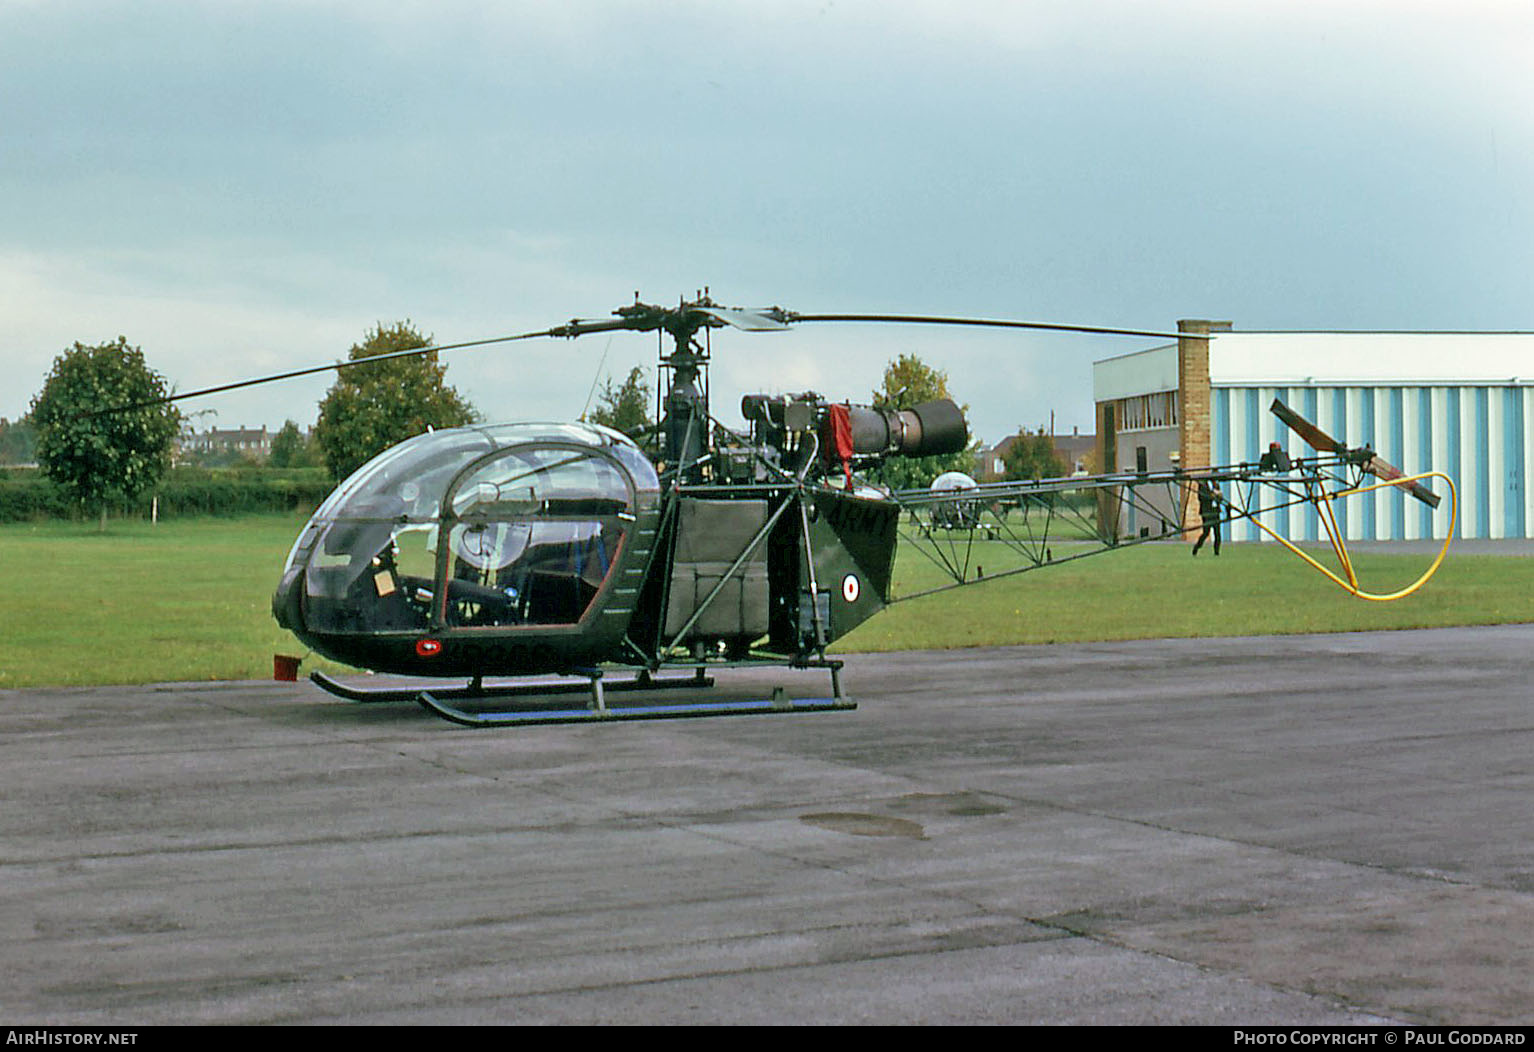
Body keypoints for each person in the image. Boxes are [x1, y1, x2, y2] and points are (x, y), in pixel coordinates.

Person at [1192, 479, 1221, 556]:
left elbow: (1220, 497)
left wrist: (1219, 496)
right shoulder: (1202, 485)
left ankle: (1216, 552)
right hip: (1207, 512)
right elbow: (1201, 497)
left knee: (1217, 533)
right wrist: (1213, 495)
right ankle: (1197, 547)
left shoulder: (1216, 485)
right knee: (1206, 532)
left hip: (1215, 511)